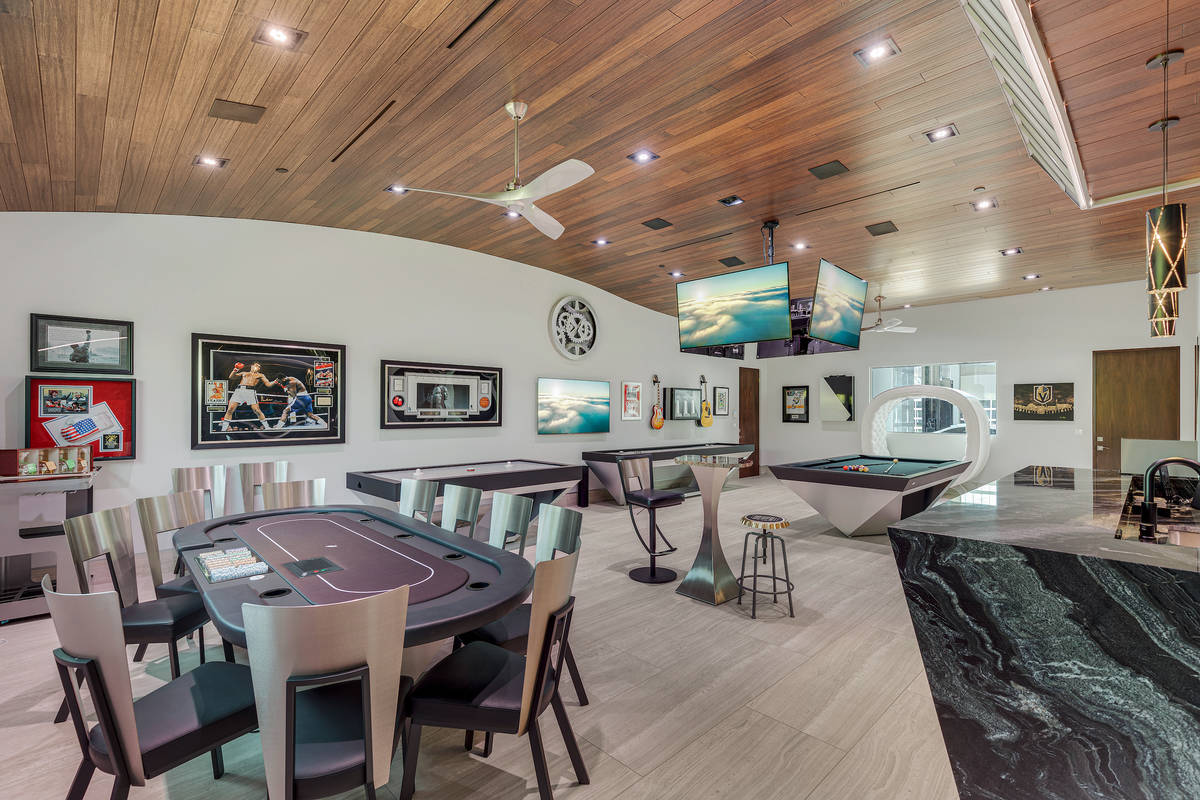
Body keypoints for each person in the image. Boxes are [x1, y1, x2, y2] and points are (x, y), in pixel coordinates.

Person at [220, 361, 280, 431]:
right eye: (256, 365)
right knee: (230, 409)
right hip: (239, 391)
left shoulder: (260, 375)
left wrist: (275, 381)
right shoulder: (244, 373)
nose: (257, 367)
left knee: (257, 410)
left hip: (250, 392)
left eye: (259, 367)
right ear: (252, 366)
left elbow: (268, 384)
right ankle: (224, 429)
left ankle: (267, 427)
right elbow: (231, 377)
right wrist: (236, 369)